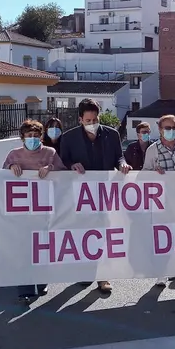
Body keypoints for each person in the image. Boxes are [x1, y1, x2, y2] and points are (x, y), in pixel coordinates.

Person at [60, 98, 132, 293]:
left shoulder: (112, 134)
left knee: (104, 235)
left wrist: (122, 164)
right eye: (88, 120)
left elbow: (119, 155)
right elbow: (63, 160)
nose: (92, 124)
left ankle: (103, 276)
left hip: (105, 194)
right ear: (80, 119)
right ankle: (85, 272)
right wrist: (71, 165)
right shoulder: (68, 138)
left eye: (95, 119)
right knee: (84, 235)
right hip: (81, 196)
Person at [3, 120, 66, 305]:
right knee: (23, 249)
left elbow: (64, 173)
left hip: (44, 210)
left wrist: (51, 169)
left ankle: (42, 281)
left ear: (41, 136)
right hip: (22, 211)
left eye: (36, 136)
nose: (32, 139)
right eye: (29, 136)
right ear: (22, 137)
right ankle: (25, 289)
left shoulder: (50, 153)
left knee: (42, 247)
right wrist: (9, 168)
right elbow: (0, 177)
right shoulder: (14, 154)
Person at [143, 115, 175, 287]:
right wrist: (153, 174)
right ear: (160, 129)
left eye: (173, 127)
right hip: (161, 202)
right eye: (167, 128)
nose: (170, 131)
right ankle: (161, 273)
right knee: (163, 236)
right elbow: (142, 175)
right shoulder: (152, 150)